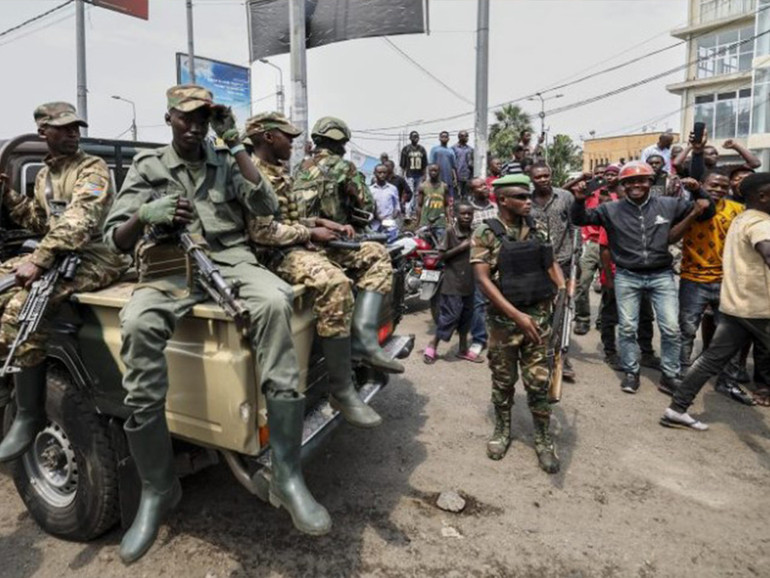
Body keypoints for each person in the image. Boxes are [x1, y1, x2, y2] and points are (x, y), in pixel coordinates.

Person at [103, 86, 332, 563]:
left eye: (203, 118)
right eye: (186, 117)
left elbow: (266, 206)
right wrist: (146, 216)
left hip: (230, 259)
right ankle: (157, 488)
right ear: (168, 117)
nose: (194, 126)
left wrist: (236, 142)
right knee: (139, 322)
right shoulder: (148, 167)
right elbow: (115, 240)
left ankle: (287, 476)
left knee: (275, 301)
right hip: (169, 266)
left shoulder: (224, 158)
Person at [244, 111, 390, 430]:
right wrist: (310, 233)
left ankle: (365, 340)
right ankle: (341, 389)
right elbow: (262, 231)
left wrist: (323, 223)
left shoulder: (282, 171)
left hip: (295, 246)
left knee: (376, 253)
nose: (296, 143)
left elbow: (289, 217)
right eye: (288, 136)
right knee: (335, 282)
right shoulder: (254, 174)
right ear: (268, 137)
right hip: (272, 255)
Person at [0, 101, 128, 464]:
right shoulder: (44, 176)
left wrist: (38, 260)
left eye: (76, 127)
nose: (73, 133)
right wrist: (8, 196)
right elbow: (44, 222)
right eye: (64, 127)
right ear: (44, 133)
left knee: (22, 307)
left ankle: (28, 416)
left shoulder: (92, 168)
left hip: (98, 256)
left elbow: (81, 220)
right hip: (59, 253)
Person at [571, 160, 713, 395]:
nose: (636, 185)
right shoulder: (610, 210)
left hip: (661, 275)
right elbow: (579, 219)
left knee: (670, 328)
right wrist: (578, 199)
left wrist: (698, 189)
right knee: (627, 327)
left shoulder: (669, 204)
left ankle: (669, 375)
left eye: (641, 180)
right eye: (630, 182)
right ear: (623, 185)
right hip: (628, 275)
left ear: (650, 182)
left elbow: (707, 211)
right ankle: (631, 371)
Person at [293, 117, 403, 373]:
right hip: (335, 244)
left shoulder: (299, 168)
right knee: (378, 255)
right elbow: (367, 206)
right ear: (340, 143)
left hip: (303, 243)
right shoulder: (345, 167)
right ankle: (365, 338)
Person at [472, 174, 566, 473]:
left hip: (538, 318)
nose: (529, 201)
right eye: (521, 197)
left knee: (539, 383)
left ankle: (542, 439)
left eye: (529, 197)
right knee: (503, 381)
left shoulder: (538, 230)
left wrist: (563, 291)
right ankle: (502, 431)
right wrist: (516, 316)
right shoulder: (486, 232)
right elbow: (484, 281)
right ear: (503, 200)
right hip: (504, 322)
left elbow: (551, 265)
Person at [661, 172, 770, 429]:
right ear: (763, 196)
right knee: (695, 342)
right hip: (758, 308)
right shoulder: (760, 223)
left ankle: (677, 409)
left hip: (736, 306)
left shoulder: (740, 216)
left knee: (710, 360)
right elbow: (766, 250)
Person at [529, 162, 577, 382]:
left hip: (563, 260)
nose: (543, 179)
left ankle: (560, 356)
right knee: (539, 309)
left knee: (561, 310)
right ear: (532, 179)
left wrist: (577, 255)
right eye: (538, 177)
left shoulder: (565, 197)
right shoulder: (526, 202)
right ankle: (537, 351)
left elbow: (575, 226)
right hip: (536, 264)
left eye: (546, 175)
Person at [423, 203, 479, 364]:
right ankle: (432, 344)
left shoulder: (473, 233)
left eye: (469, 214)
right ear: (456, 215)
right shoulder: (450, 232)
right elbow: (441, 256)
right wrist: (462, 246)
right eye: (463, 214)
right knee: (450, 316)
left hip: (469, 281)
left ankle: (462, 349)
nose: (467, 217)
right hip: (453, 281)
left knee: (466, 317)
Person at [468, 177, 498, 359]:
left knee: (500, 301)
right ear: (473, 191)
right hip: (479, 263)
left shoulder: (496, 209)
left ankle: (501, 338)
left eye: (485, 185)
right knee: (478, 302)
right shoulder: (468, 211)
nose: (485, 188)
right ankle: (479, 339)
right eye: (479, 186)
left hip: (499, 261)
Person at [674, 133, 761, 180]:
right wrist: (692, 146)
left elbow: (755, 163)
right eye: (711, 154)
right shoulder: (690, 167)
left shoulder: (724, 170)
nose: (716, 156)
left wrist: (736, 146)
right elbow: (676, 163)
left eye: (716, 154)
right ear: (702, 156)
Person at [416, 164, 451, 239]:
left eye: (435, 170)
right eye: (431, 170)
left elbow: (446, 205)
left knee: (442, 244)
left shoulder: (444, 186)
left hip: (440, 223)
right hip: (425, 222)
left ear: (439, 172)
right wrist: (418, 222)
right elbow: (419, 205)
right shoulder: (423, 186)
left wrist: (449, 220)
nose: (433, 172)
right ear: (428, 172)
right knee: (425, 245)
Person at [370, 163, 401, 241]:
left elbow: (397, 206)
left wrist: (391, 218)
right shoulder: (370, 190)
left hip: (389, 226)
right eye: (379, 173)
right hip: (374, 226)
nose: (382, 175)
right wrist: (378, 217)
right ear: (375, 173)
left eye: (384, 173)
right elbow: (369, 207)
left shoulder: (393, 189)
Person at [399, 130, 428, 214]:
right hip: (409, 175)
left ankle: (415, 211)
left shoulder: (422, 149)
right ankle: (408, 212)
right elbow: (403, 165)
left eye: (417, 136)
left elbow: (425, 164)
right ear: (410, 138)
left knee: (418, 193)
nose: (416, 138)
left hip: (419, 175)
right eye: (414, 136)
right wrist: (402, 175)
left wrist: (425, 175)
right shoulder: (406, 149)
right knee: (410, 193)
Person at [430, 131, 458, 200]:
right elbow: (430, 164)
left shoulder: (451, 151)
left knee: (449, 198)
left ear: (448, 139)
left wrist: (455, 178)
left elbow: (453, 166)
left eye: (446, 137)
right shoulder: (435, 149)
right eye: (442, 137)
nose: (444, 138)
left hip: (448, 179)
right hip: (437, 178)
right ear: (439, 138)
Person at [452, 130, 474, 200]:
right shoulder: (453, 148)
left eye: (467, 136)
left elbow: (472, 162)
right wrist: (454, 177)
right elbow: (452, 164)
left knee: (466, 196)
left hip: (467, 176)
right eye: (465, 136)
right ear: (459, 137)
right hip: (457, 176)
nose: (467, 138)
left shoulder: (470, 149)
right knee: (457, 197)